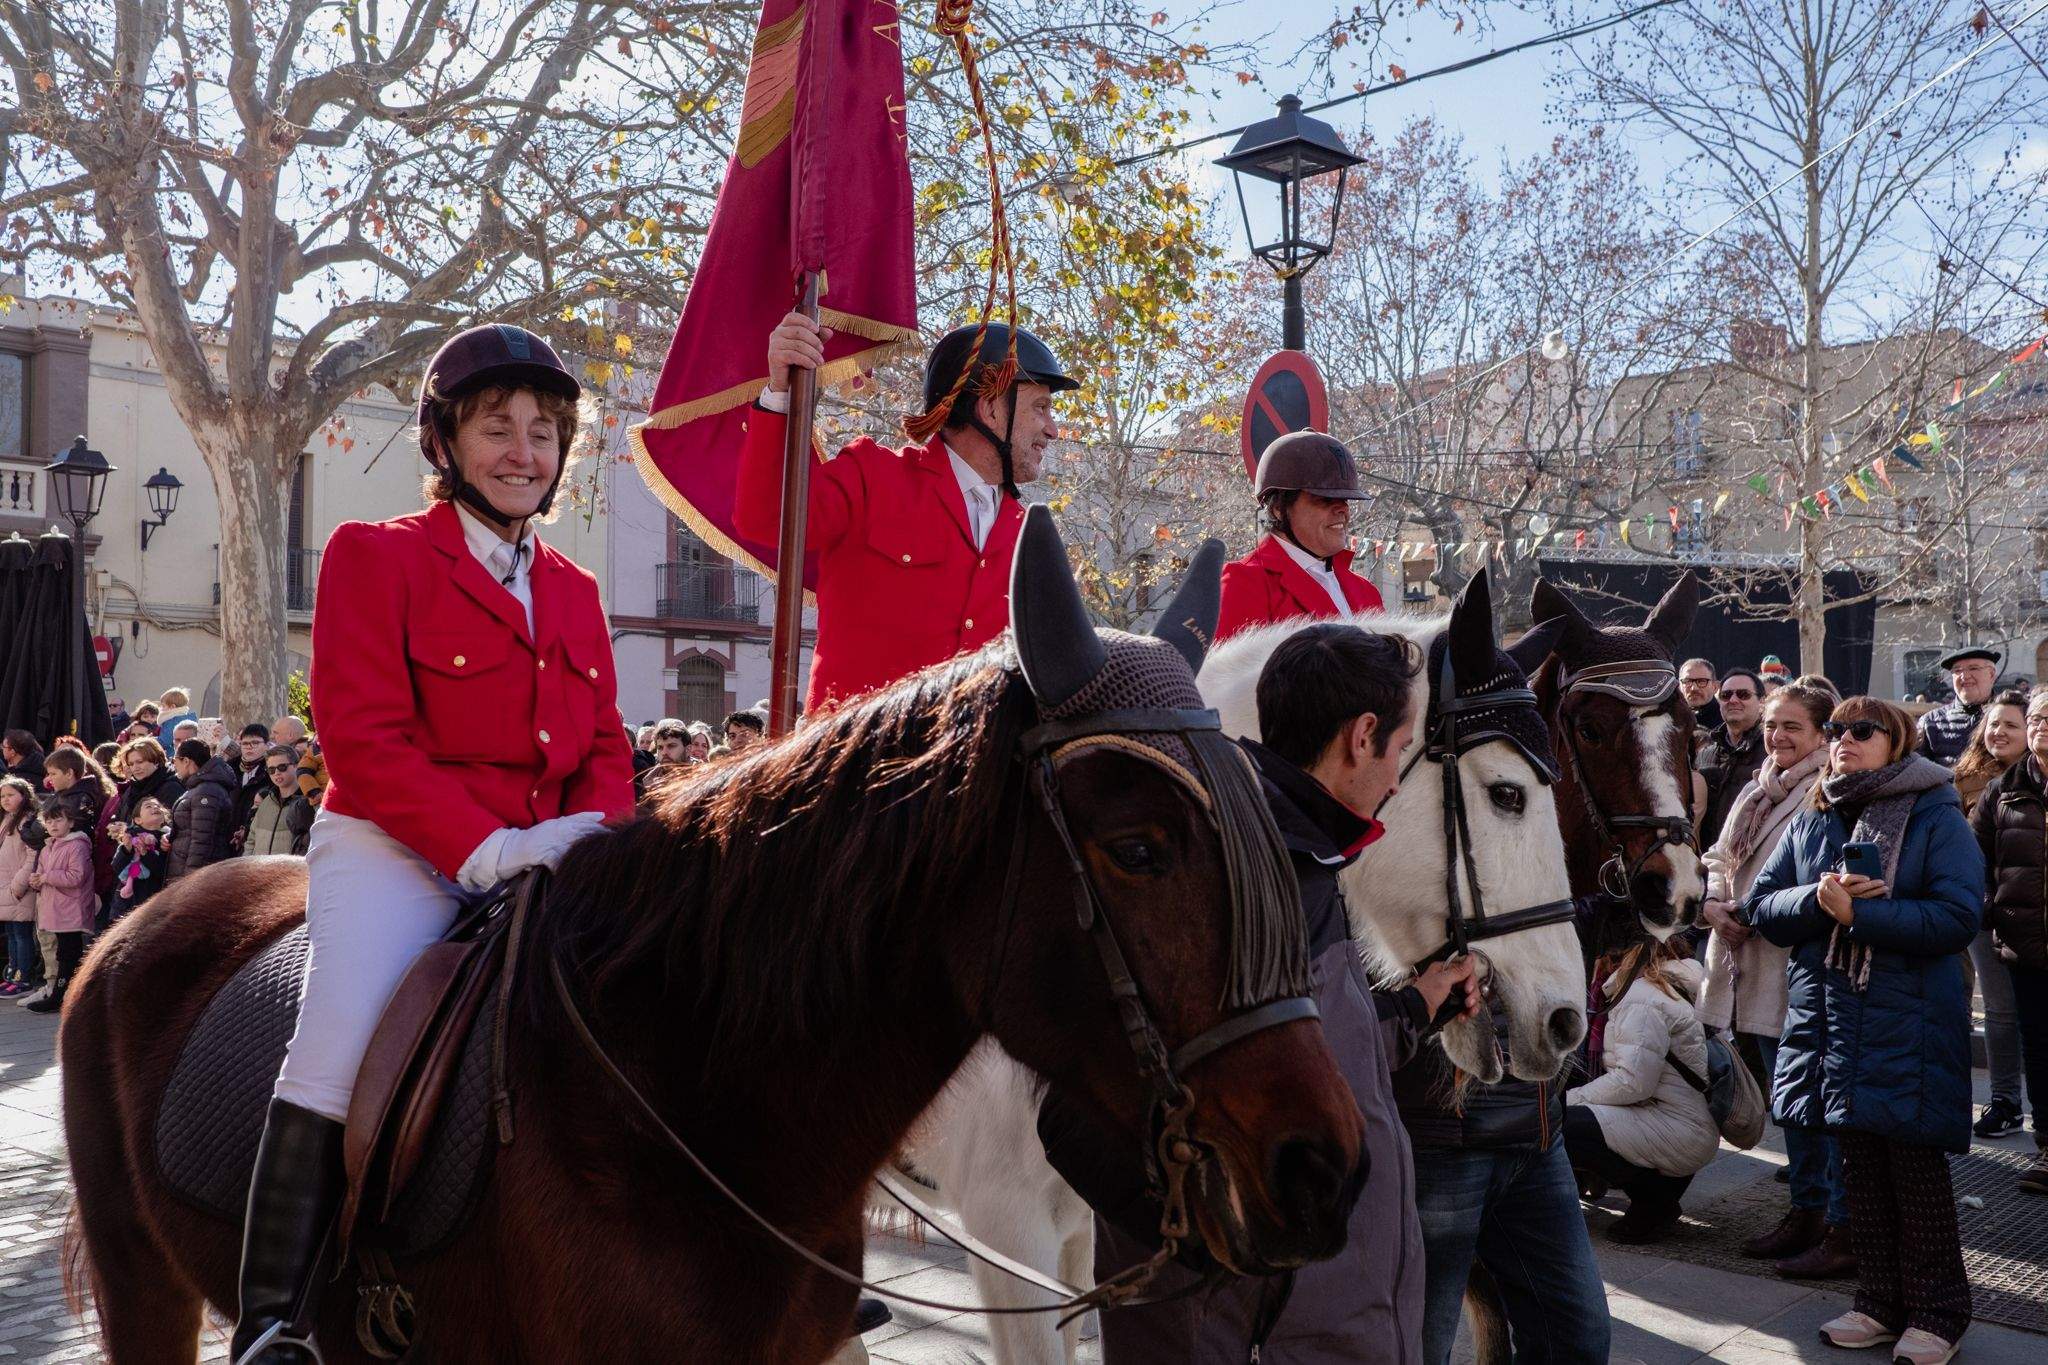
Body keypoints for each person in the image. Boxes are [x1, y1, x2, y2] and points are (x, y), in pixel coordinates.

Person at [229, 321, 635, 1364]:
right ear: (443, 444)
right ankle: (273, 1319)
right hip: (397, 848)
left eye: (543, 433)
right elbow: (363, 741)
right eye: (496, 427)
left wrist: (600, 842)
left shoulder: (580, 596)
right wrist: (485, 851)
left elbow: (600, 746)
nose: (522, 451)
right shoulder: (379, 555)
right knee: (340, 1037)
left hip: (550, 851)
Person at [1038, 623, 1477, 1361]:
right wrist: (1221, 1246)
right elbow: (1076, 1115)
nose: (1400, 777)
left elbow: (1312, 1040)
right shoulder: (1241, 871)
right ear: (1362, 736)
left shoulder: (1302, 849)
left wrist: (1414, 1006)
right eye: (1402, 749)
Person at [1745, 696, 1980, 1362]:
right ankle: (1878, 1300)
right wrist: (1820, 901)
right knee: (1860, 1170)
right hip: (1834, 1023)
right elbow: (1764, 905)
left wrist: (1863, 916)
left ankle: (1940, 1310)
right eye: (1839, 729)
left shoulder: (1937, 811)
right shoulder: (1814, 813)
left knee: (1913, 1168)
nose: (1845, 739)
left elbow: (1958, 917)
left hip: (1908, 1017)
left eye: (1862, 729)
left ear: (1897, 739)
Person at [738, 314, 1077, 713]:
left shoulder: (1028, 532)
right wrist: (782, 391)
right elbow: (766, 518)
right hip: (856, 764)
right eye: (1041, 408)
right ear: (990, 409)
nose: (1052, 429)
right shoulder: (873, 477)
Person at [1698, 682, 1845, 1268]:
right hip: (1740, 958)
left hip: (1792, 963)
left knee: (1809, 1099)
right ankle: (1808, 1207)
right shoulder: (1759, 788)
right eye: (1772, 725)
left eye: (1792, 728)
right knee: (1787, 1097)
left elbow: (1819, 876)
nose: (1777, 736)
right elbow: (1717, 857)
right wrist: (1712, 903)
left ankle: (1829, 1217)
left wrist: (1758, 911)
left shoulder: (1824, 790)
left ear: (1819, 734)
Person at [1564, 936, 1720, 1243]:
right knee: (1577, 1116)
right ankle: (1658, 1197)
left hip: (1677, 1130)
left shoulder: (1643, 997)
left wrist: (1571, 1101)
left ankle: (1653, 1201)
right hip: (1686, 1126)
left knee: (1564, 1124)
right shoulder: (1669, 986)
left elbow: (1632, 1082)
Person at [1969, 690, 2048, 1195]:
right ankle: (2047, 1145)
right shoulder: (2002, 791)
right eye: (2038, 717)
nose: (2041, 725)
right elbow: (1972, 863)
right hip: (2027, 945)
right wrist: (1989, 909)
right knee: (2040, 1047)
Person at [1214, 431, 1384, 642]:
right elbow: (1229, 674)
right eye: (1324, 499)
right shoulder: (1243, 585)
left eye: (1345, 499)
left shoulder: (1366, 592)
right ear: (1278, 508)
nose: (1342, 509)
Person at [1953, 691, 2030, 1140]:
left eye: (2010, 726)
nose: (1998, 732)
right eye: (1993, 724)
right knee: (1999, 1010)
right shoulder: (1962, 779)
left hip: (2033, 909)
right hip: (1986, 907)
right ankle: (2005, 1100)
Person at [23, 798, 95, 1014]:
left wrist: (45, 877)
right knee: (63, 952)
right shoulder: (47, 847)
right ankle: (64, 994)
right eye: (49, 821)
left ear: (70, 822)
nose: (53, 825)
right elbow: (44, 873)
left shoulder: (77, 846)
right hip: (55, 908)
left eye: (58, 820)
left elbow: (76, 877)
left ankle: (61, 996)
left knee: (69, 953)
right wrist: (37, 880)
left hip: (71, 908)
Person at [1696, 668, 1767, 848]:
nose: (1733, 700)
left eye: (1743, 694)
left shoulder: (1772, 753)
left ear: (1762, 702)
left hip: (1755, 858)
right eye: (1726, 695)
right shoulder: (1704, 755)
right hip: (1709, 863)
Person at [166, 737, 239, 881]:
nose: (173, 765)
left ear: (186, 761)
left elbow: (201, 841)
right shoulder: (198, 787)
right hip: (184, 870)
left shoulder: (207, 790)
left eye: (174, 760)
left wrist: (190, 882)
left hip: (194, 878)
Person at [1917, 647, 2000, 767]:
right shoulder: (1931, 721)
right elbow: (1918, 770)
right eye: (1957, 670)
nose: (1964, 676)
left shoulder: (2013, 716)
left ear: (1991, 674)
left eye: (1973, 668)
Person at [0, 777, 38, 998]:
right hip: (5, 888)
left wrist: (18, 886)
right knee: (12, 934)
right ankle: (12, 974)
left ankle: (23, 978)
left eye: (11, 795)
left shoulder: (27, 822)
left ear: (24, 796)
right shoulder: (7, 820)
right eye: (3, 796)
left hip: (18, 888)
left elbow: (31, 856)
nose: (5, 799)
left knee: (22, 935)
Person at [243, 746, 310, 857]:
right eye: (271, 769)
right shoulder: (266, 802)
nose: (276, 773)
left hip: (292, 871)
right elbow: (251, 839)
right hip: (260, 870)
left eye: (282, 767)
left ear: (296, 766)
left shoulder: (309, 802)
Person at [110, 797, 172, 916]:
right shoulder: (131, 836)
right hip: (126, 900)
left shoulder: (165, 839)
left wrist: (145, 853)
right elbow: (116, 867)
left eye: (158, 806)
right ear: (138, 820)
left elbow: (162, 870)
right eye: (148, 806)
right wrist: (126, 850)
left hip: (151, 898)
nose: (155, 807)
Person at [1679, 658, 1720, 732]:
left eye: (1702, 681)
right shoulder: (1668, 721)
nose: (1694, 688)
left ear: (1715, 687)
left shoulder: (1727, 722)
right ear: (1679, 687)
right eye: (1687, 681)